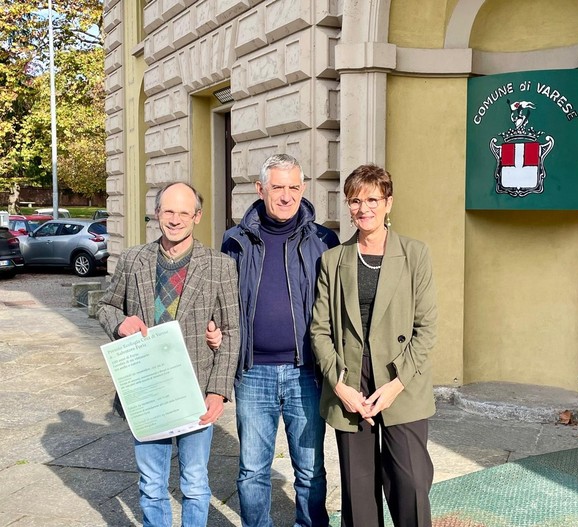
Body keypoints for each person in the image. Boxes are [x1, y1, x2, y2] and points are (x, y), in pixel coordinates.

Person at [97, 182, 240, 527]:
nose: (175, 220)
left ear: (197, 217)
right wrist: (120, 323)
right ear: (157, 213)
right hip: (146, 394)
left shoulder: (220, 265)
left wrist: (218, 391)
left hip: (194, 393)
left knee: (194, 483)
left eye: (183, 213)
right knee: (151, 484)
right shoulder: (134, 260)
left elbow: (232, 331)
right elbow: (105, 306)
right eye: (168, 211)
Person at [207, 153, 339, 527]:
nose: (286, 196)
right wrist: (215, 328)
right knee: (252, 471)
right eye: (277, 187)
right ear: (260, 189)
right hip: (253, 373)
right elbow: (221, 299)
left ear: (304, 188)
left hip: (306, 373)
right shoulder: (235, 241)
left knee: (311, 470)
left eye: (293, 187)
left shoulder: (325, 240)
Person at [311, 164, 438, 527]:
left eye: (372, 199)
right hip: (351, 380)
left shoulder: (416, 254)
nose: (363, 208)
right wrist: (340, 386)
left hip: (401, 379)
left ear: (388, 203)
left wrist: (398, 383)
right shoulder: (332, 261)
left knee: (411, 482)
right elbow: (320, 329)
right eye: (355, 201)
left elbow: (426, 328)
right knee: (358, 488)